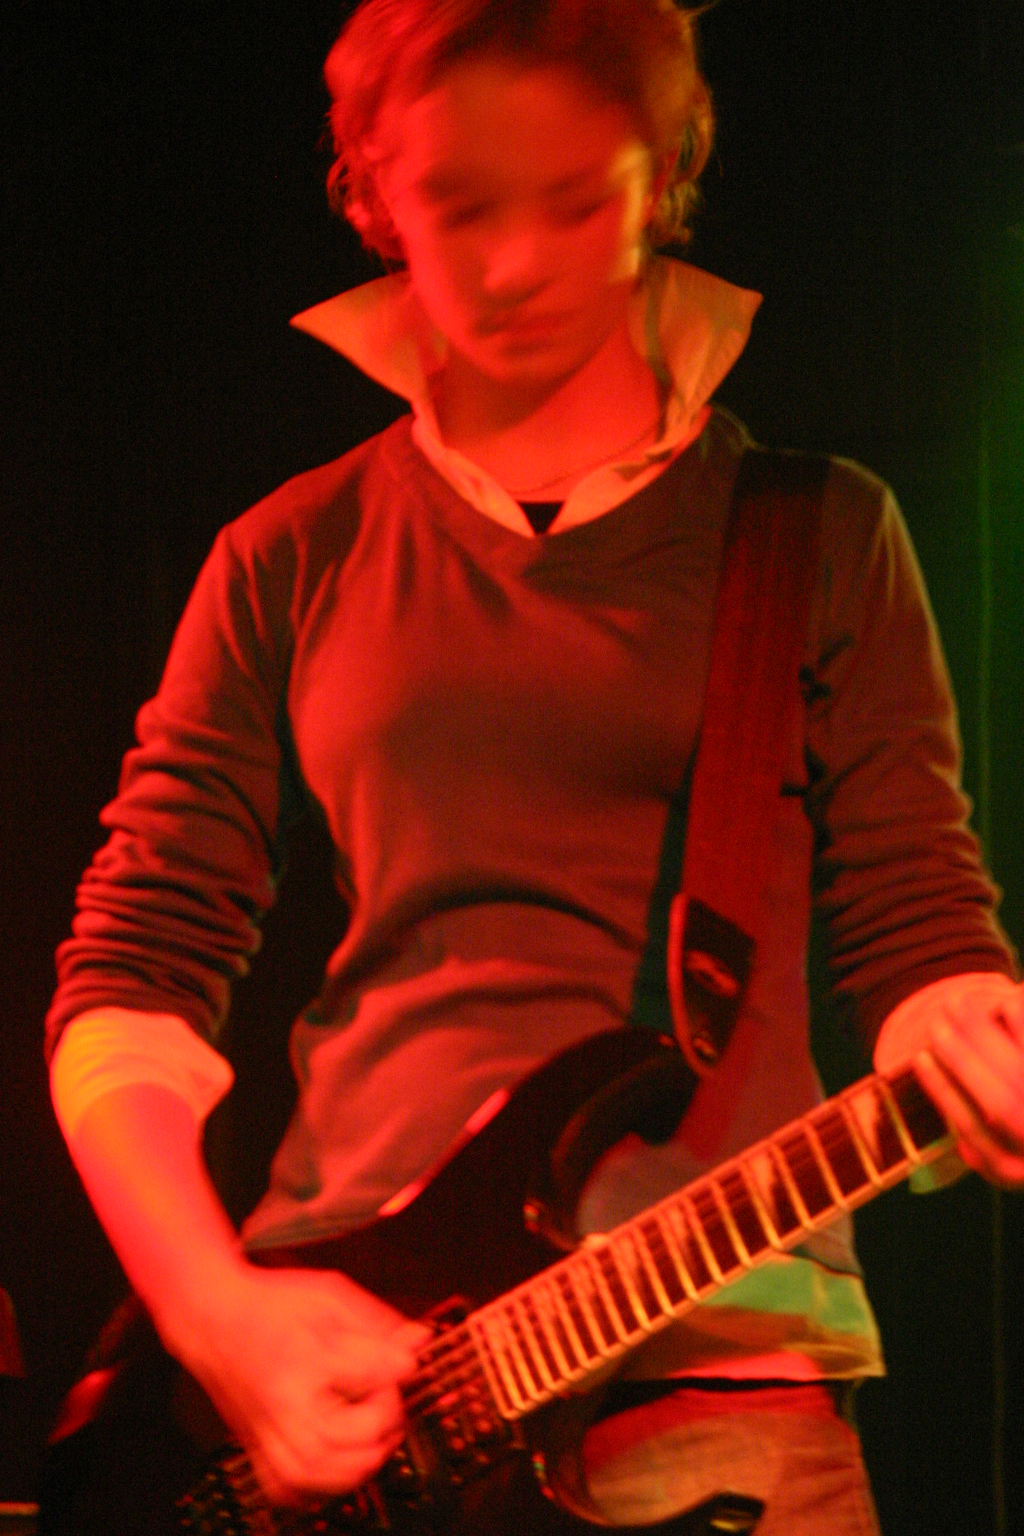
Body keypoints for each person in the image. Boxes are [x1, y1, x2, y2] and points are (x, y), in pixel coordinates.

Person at [45, 1, 1024, 1531]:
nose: (512, 266)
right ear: (373, 192)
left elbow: (921, 924)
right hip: (347, 1394)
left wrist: (963, 1018)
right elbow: (131, 975)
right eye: (460, 204)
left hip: (722, 1380)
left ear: (666, 177)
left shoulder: (821, 533)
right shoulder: (288, 552)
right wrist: (212, 1311)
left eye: (575, 201)